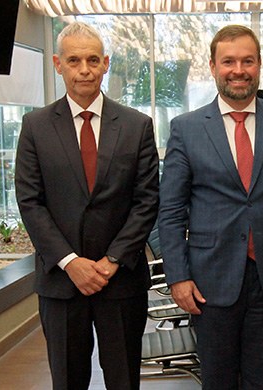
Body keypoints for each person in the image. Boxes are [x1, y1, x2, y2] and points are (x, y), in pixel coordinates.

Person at [157, 25, 263, 389]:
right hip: (209, 280)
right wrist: (177, 276)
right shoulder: (186, 128)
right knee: (218, 380)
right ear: (213, 66)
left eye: (247, 61)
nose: (238, 70)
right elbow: (171, 211)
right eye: (228, 61)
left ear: (259, 65)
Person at [15, 21, 159, 390]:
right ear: (58, 65)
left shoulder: (137, 125)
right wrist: (70, 262)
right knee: (67, 379)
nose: (84, 69)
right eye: (74, 60)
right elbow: (30, 202)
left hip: (121, 280)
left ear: (106, 63)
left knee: (124, 380)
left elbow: (146, 201)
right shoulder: (35, 126)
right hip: (61, 282)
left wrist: (111, 261)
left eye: (93, 60)